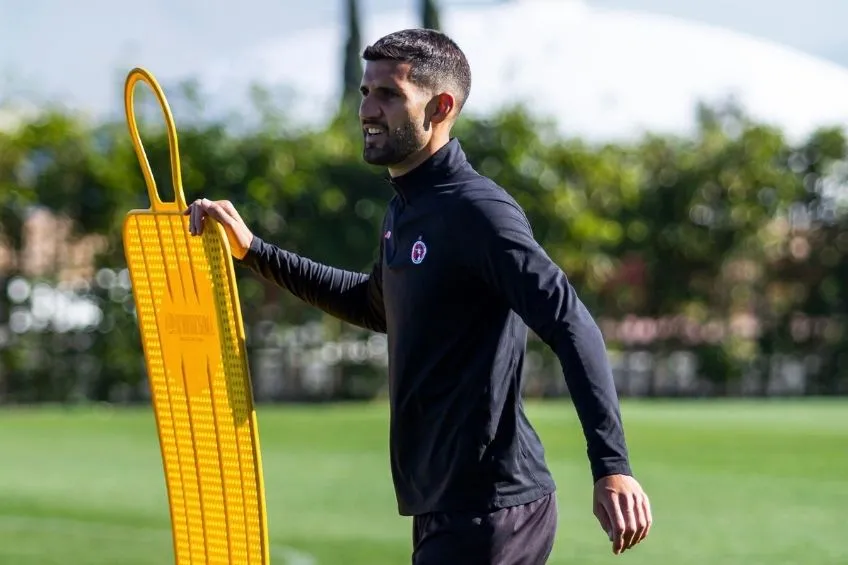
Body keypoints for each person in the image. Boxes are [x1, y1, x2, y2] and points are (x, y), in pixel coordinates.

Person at [186, 28, 652, 565]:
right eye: (365, 92)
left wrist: (611, 465)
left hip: (490, 508)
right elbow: (373, 305)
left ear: (441, 106)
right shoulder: (405, 208)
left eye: (388, 95)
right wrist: (254, 252)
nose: (367, 109)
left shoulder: (478, 212)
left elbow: (571, 323)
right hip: (444, 505)